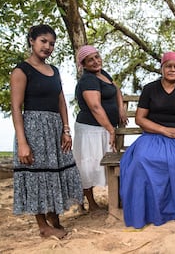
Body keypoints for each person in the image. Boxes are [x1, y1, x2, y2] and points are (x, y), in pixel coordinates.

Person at [10, 24, 83, 239]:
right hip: (33, 129)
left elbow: (61, 100)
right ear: (32, 40)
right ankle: (42, 226)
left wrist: (66, 130)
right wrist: (23, 142)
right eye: (43, 41)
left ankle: (55, 219)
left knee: (55, 173)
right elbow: (16, 108)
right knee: (37, 176)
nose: (48, 47)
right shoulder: (21, 70)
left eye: (52, 43)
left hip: (54, 129)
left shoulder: (55, 71)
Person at [120, 51, 175, 229]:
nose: (172, 70)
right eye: (169, 66)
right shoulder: (150, 88)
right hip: (153, 134)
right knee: (141, 161)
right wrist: (164, 130)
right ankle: (145, 210)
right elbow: (140, 119)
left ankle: (171, 209)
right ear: (161, 68)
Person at [73, 45, 128, 212]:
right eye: (90, 59)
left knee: (104, 163)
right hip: (91, 130)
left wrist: (120, 109)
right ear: (83, 64)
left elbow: (116, 90)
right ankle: (90, 203)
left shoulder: (102, 74)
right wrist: (111, 130)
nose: (96, 61)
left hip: (104, 128)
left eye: (97, 57)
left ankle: (115, 199)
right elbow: (95, 107)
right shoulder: (88, 80)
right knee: (88, 166)